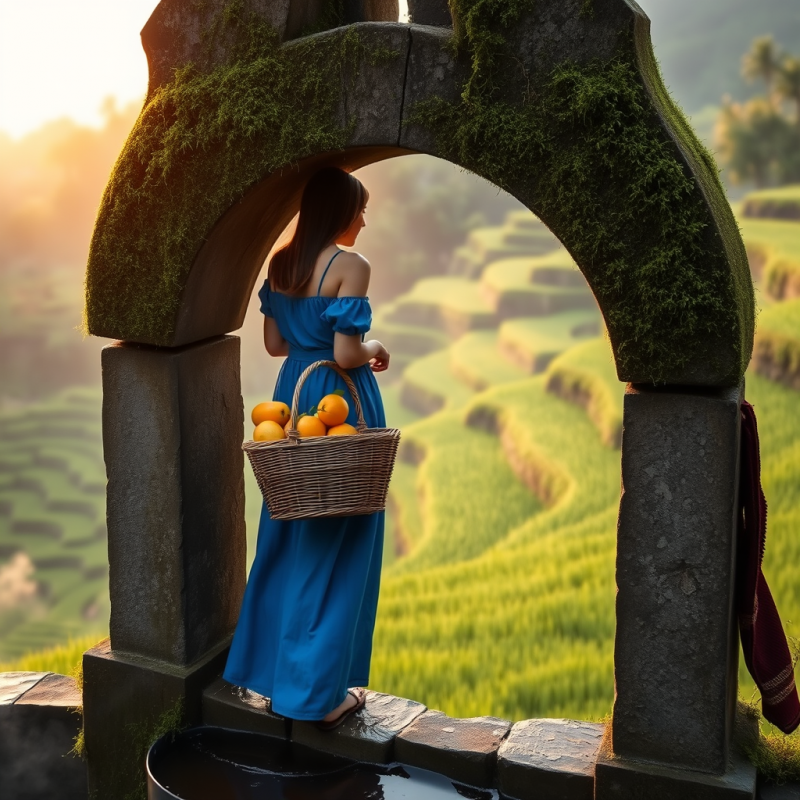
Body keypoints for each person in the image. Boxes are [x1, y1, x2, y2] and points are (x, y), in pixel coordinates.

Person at [224, 167, 390, 729]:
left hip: (292, 405)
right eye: (360, 209)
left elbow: (274, 344)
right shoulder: (351, 265)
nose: (364, 220)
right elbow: (346, 353)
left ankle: (276, 682)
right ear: (341, 210)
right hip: (340, 402)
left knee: (289, 535)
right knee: (337, 543)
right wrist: (377, 345)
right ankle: (318, 698)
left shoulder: (282, 262)